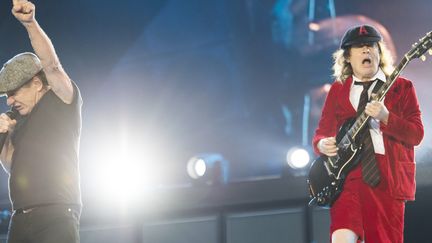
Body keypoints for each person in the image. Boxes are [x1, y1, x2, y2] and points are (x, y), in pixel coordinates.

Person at [312, 25, 424, 242]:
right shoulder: (338, 90)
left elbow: (416, 135)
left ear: (378, 52)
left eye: (370, 45)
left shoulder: (402, 87)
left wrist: (386, 117)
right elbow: (321, 133)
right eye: (358, 47)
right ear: (347, 57)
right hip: (348, 180)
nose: (365, 50)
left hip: (386, 180)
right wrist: (321, 144)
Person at [0, 0, 82, 242]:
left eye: (14, 93)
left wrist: (30, 23)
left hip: (56, 215)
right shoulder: (16, 120)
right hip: (20, 219)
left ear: (36, 83)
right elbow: (12, 165)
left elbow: (52, 66)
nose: (9, 101)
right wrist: (4, 136)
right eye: (6, 96)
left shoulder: (61, 101)